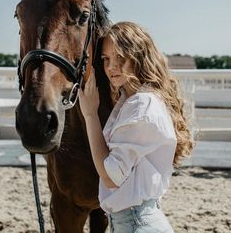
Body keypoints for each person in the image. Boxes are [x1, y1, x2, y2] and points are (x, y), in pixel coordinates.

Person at [79, 21, 193, 232]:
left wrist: (89, 114)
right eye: (106, 59)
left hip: (136, 224)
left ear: (139, 56)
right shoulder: (129, 101)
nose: (111, 66)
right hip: (132, 222)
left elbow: (111, 177)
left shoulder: (142, 104)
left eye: (120, 57)